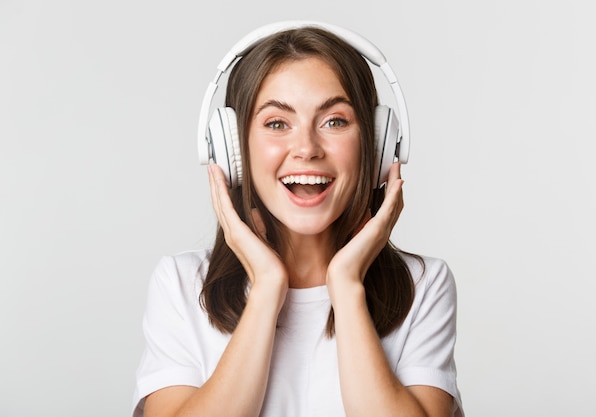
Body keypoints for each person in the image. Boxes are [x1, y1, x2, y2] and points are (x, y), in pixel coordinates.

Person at [133, 21, 464, 417]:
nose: (307, 148)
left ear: (374, 145)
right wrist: (267, 288)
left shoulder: (423, 286)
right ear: (232, 149)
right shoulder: (181, 284)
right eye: (277, 123)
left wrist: (346, 285)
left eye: (334, 121)